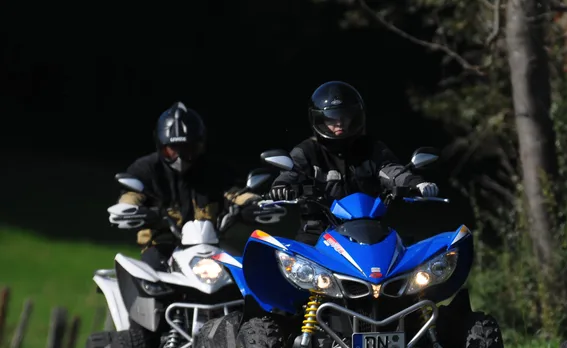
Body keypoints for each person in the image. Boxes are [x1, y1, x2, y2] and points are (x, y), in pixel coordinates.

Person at [266, 81, 439, 243]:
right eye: (331, 118)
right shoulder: (306, 151)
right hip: (316, 235)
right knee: (288, 266)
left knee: (410, 263)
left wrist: (418, 184)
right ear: (319, 119)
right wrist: (280, 187)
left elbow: (393, 171)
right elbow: (290, 172)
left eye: (345, 116)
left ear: (356, 117)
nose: (339, 122)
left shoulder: (372, 148)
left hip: (369, 233)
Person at [111, 101, 261, 270]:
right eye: (172, 150)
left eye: (187, 149)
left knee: (246, 274)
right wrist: (126, 209)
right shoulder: (146, 169)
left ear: (200, 145)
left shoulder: (216, 170)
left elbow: (236, 193)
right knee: (151, 276)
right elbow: (132, 194)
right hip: (161, 244)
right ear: (161, 146)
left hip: (211, 244)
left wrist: (253, 204)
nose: (180, 157)